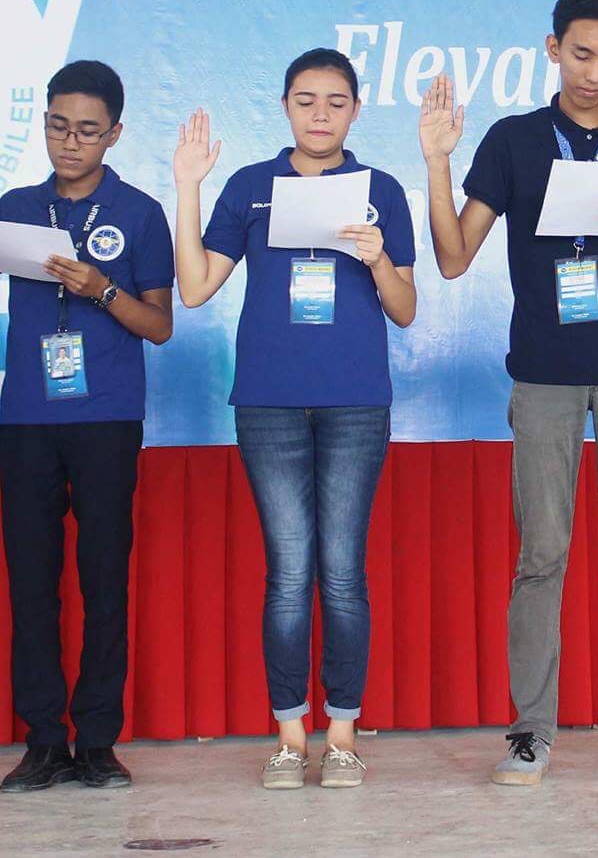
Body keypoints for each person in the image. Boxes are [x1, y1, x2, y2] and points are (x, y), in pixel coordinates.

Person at [418, 0, 598, 786]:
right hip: (544, 372)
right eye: (581, 53)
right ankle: (530, 732)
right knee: (542, 553)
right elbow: (453, 256)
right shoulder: (514, 140)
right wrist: (437, 161)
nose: (594, 71)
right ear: (553, 48)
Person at [0, 61, 175, 791]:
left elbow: (159, 324)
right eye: (59, 126)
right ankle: (42, 741)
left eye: (87, 131)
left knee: (104, 581)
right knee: (31, 583)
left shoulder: (139, 213)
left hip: (107, 418)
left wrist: (101, 289)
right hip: (29, 417)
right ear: (43, 124)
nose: (70, 142)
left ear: (115, 134)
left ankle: (97, 741)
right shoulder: (16, 207)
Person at [176, 47, 417, 789]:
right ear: (284, 106)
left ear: (356, 109)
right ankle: (289, 735)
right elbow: (194, 287)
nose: (320, 114)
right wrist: (187, 187)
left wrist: (378, 260)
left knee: (342, 571)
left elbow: (405, 308)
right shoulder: (252, 187)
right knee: (288, 571)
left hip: (355, 403)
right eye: (306, 100)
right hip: (269, 402)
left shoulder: (381, 191)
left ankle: (341, 733)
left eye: (336, 102)